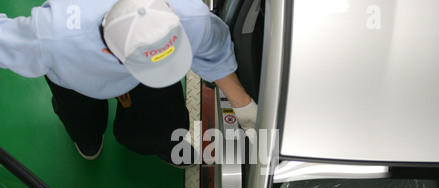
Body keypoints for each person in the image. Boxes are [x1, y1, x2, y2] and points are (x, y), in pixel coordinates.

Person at [0, 0, 258, 166]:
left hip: (142, 79)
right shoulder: (51, 37)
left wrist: (244, 106)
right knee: (81, 117)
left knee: (163, 117)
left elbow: (215, 52)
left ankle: (161, 143)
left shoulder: (189, 15)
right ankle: (88, 136)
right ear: (108, 53)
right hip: (74, 78)